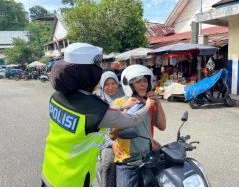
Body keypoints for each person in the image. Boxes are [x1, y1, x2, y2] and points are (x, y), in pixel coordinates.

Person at [41, 43, 156, 187]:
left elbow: (100, 115)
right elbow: (132, 120)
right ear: (86, 75)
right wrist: (148, 105)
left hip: (50, 170)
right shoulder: (95, 109)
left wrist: (122, 107)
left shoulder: (57, 97)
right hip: (72, 179)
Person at [110, 64, 166, 187]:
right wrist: (126, 108)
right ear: (129, 85)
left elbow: (162, 126)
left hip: (149, 158)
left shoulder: (149, 102)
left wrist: (157, 102)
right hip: (128, 162)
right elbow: (112, 134)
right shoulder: (119, 103)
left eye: (145, 81)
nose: (143, 84)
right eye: (137, 81)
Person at [93, 71, 125, 187]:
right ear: (102, 85)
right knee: (108, 164)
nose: (111, 87)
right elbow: (99, 131)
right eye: (106, 84)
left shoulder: (127, 97)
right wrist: (112, 143)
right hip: (107, 141)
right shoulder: (98, 102)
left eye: (113, 83)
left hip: (128, 137)